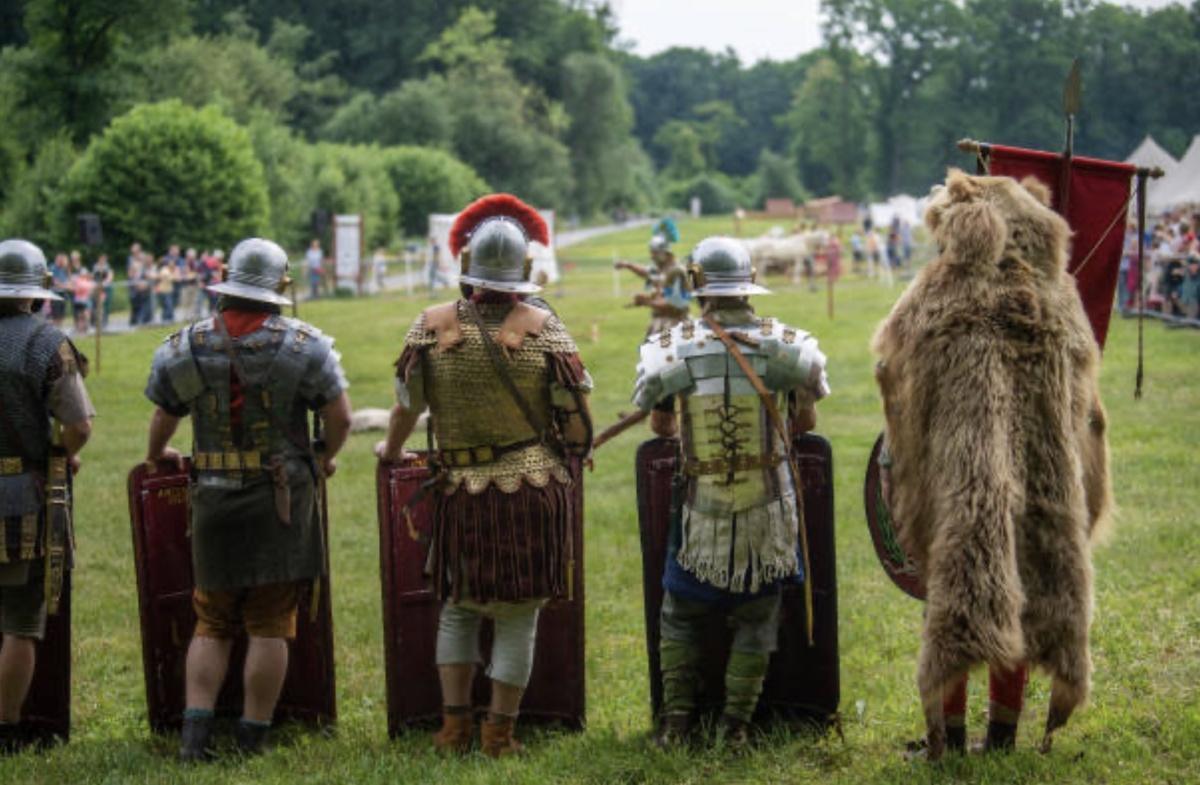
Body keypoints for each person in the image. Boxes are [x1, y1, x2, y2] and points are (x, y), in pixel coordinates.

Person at [377, 194, 593, 758]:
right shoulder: (544, 329)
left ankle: (454, 730)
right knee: (519, 615)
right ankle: (498, 733)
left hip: (460, 490)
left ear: (465, 267)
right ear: (524, 270)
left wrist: (390, 451)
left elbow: (404, 408)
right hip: (531, 488)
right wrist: (574, 448)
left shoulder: (431, 327)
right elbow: (575, 415)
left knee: (460, 607)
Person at [143, 238, 351, 761]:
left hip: (212, 496)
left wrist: (156, 453)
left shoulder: (187, 343)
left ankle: (194, 737)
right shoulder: (306, 346)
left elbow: (165, 412)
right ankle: (252, 736)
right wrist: (323, 455)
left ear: (227, 280)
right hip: (278, 500)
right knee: (270, 619)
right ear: (281, 286)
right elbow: (340, 418)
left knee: (212, 618)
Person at [631, 237, 829, 748]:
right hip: (770, 510)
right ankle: (736, 727)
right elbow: (805, 419)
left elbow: (659, 426)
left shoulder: (673, 347)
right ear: (748, 283)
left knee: (680, 613)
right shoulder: (787, 345)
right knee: (758, 616)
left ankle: (676, 725)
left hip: (702, 510)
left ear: (699, 287)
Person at [0, 239, 94, 752]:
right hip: (22, 498)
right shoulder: (45, 344)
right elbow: (78, 425)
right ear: (37, 292)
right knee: (19, 620)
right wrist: (59, 454)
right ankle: (7, 730)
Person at [615, 224, 691, 338]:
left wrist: (645, 302)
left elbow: (675, 304)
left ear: (665, 253)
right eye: (651, 253)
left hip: (675, 326)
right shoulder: (660, 269)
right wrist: (628, 265)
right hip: (660, 324)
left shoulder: (677, 272)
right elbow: (646, 272)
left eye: (655, 253)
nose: (652, 256)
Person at [92, 254, 114, 329]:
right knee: (97, 305)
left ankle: (104, 321)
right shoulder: (96, 267)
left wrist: (104, 283)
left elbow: (109, 277)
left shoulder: (108, 267)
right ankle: (97, 322)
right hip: (97, 288)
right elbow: (94, 277)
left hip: (105, 288)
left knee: (105, 305)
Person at [154, 253, 177, 324]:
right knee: (168, 306)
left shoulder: (163, 270)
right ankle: (168, 320)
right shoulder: (165, 270)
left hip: (164, 290)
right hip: (165, 291)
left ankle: (166, 319)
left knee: (166, 306)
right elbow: (171, 278)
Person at [48, 254, 70, 326]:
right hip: (55, 294)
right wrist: (63, 285)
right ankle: (55, 330)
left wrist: (65, 285)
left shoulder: (64, 269)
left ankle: (59, 329)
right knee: (55, 314)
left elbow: (67, 281)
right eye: (63, 260)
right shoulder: (51, 268)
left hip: (63, 293)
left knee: (62, 314)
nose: (64, 262)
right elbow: (51, 280)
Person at [71, 268, 94, 335]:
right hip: (80, 301)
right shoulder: (79, 281)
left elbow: (90, 288)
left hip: (83, 300)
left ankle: (84, 329)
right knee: (81, 316)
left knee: (84, 315)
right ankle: (81, 330)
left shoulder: (85, 281)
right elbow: (80, 289)